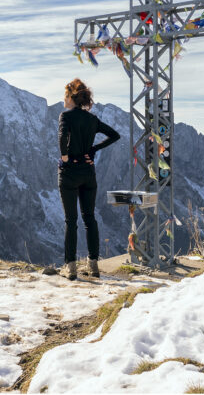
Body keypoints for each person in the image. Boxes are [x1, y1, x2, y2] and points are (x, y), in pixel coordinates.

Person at [57, 78, 120, 280]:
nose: (63, 99)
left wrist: (65, 155)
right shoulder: (92, 119)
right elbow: (114, 135)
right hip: (88, 173)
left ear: (70, 97)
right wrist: (93, 150)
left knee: (71, 220)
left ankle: (71, 267)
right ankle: (93, 265)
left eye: (65, 96)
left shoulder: (65, 116)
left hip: (69, 173)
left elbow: (62, 136)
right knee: (89, 218)